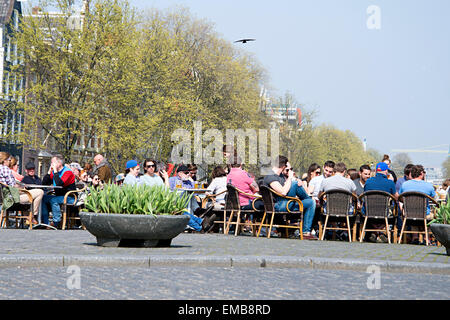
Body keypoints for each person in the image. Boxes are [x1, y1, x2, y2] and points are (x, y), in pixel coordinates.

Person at [263, 155, 317, 240]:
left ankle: (306, 233)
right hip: (278, 206)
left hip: (287, 203)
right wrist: (291, 179)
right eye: (288, 169)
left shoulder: (280, 176)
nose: (289, 171)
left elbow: (289, 189)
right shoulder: (271, 176)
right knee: (295, 184)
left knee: (311, 203)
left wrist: (295, 180)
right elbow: (283, 192)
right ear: (283, 167)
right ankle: (307, 197)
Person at [0, 152, 44, 225]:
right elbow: (12, 186)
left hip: (5, 197)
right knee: (40, 192)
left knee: (30, 193)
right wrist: (22, 188)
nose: (10, 162)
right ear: (4, 161)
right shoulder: (5, 169)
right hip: (12, 198)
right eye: (9, 160)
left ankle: (29, 217)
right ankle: (32, 217)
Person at [363, 162, 398, 243]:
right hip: (384, 212)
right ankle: (380, 231)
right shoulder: (390, 183)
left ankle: (375, 231)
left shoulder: (368, 181)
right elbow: (396, 197)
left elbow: (364, 195)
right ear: (386, 171)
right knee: (394, 212)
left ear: (376, 171)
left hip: (369, 211)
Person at [41, 155, 76, 229]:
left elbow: (59, 183)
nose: (51, 164)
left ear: (59, 163)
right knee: (43, 198)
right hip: (59, 196)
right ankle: (45, 222)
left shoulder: (68, 172)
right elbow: (44, 183)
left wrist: (55, 172)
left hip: (69, 197)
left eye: (52, 162)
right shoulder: (54, 172)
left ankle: (56, 222)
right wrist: (48, 172)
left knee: (54, 200)